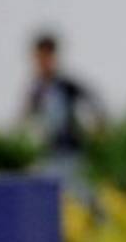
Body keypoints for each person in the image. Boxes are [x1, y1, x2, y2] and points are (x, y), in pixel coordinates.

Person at [20, 31, 105, 200]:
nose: (42, 62)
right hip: (48, 153)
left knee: (81, 192)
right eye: (39, 57)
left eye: (46, 56)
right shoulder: (36, 90)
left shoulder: (66, 85)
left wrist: (95, 127)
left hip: (70, 152)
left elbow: (94, 105)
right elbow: (27, 118)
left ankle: (101, 221)